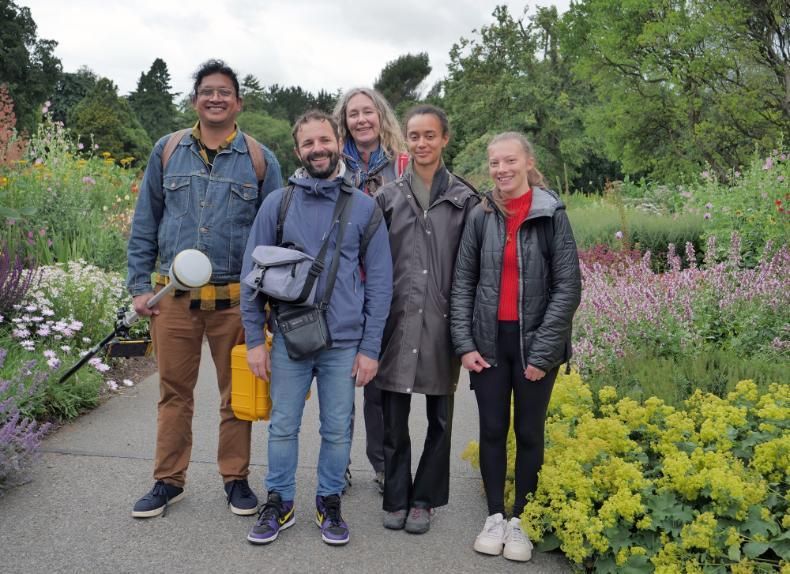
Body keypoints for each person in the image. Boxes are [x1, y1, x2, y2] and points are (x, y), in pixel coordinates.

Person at [126, 59, 283, 518]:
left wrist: (269, 301)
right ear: (195, 99)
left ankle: (235, 478)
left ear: (239, 102)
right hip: (173, 301)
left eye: (225, 92)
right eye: (207, 91)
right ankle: (167, 481)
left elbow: (273, 236)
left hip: (236, 302)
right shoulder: (168, 150)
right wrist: (139, 285)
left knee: (238, 395)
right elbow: (145, 221)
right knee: (174, 392)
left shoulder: (260, 158)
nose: (216, 98)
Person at [240, 110, 393, 546]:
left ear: (337, 142)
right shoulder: (279, 203)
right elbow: (251, 276)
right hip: (289, 338)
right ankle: (280, 501)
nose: (317, 149)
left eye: (324, 140)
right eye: (308, 144)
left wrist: (371, 347)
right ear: (298, 151)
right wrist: (254, 340)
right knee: (284, 424)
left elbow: (381, 282)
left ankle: (329, 501)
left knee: (337, 427)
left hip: (343, 343)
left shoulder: (364, 207)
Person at [449, 132, 581, 561]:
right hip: (488, 344)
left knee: (528, 432)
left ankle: (521, 520)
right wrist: (465, 343)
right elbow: (462, 283)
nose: (501, 170)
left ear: (527, 162)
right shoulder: (481, 215)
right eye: (494, 163)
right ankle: (494, 517)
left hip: (534, 344)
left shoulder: (551, 214)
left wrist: (544, 353)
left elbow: (567, 288)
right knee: (490, 430)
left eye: (509, 161)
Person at [374, 104, 479, 534]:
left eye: (429, 135)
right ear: (406, 141)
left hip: (441, 321)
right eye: (414, 136)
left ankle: (425, 500)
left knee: (440, 417)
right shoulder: (387, 197)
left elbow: (474, 267)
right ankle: (396, 496)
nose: (421, 143)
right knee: (393, 417)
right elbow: (372, 263)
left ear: (444, 139)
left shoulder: (465, 199)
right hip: (396, 319)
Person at [333, 87, 408, 492]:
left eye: (368, 112)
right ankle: (337, 463)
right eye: (352, 114)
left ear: (381, 116)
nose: (361, 120)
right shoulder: (332, 164)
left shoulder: (403, 166)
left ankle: (381, 464)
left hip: (387, 285)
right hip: (343, 287)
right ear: (343, 121)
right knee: (340, 382)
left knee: (379, 387)